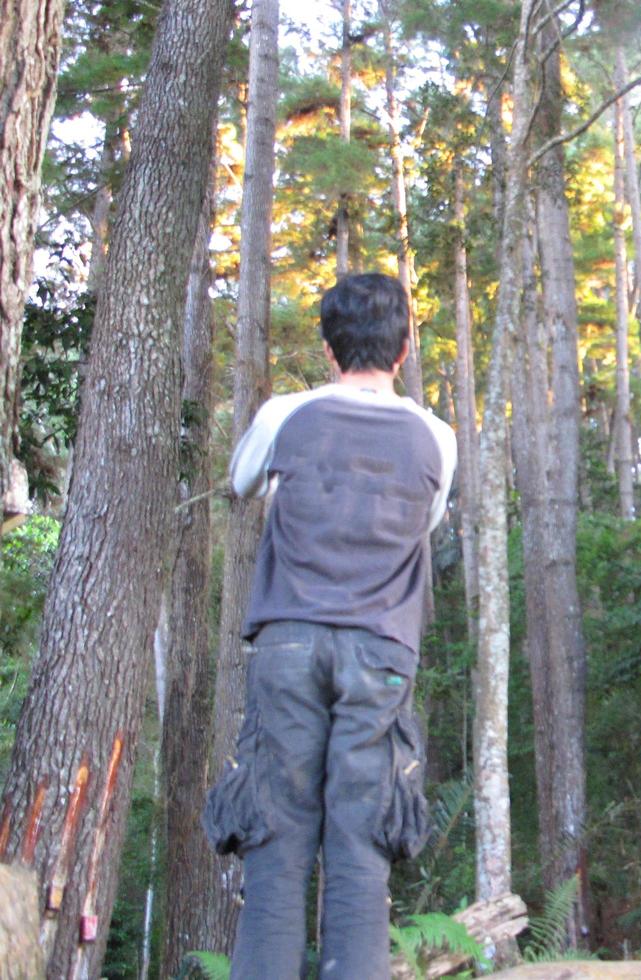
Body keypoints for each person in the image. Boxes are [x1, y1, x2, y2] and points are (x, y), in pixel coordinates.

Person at [203, 273, 456, 979]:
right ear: (403, 349)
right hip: (381, 649)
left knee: (275, 848)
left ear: (327, 347)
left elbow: (241, 480)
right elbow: (424, 523)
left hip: (287, 641)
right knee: (360, 850)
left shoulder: (285, 414)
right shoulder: (436, 437)